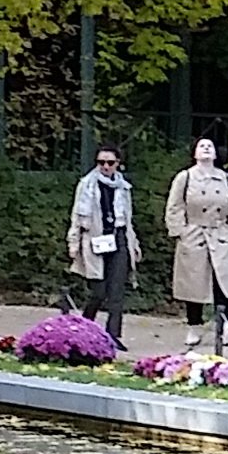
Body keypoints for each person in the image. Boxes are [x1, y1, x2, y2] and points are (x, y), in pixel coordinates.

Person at [164, 135, 228, 352]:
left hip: (221, 234)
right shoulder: (185, 177)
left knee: (223, 281)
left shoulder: (226, 179)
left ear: (216, 153)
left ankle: (226, 324)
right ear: (195, 153)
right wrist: (180, 231)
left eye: (210, 146)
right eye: (202, 146)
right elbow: (174, 206)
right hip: (194, 234)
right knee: (194, 282)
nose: (206, 148)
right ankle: (194, 325)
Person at [66, 142, 141, 343]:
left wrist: (133, 245)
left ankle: (113, 336)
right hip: (94, 239)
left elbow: (128, 218)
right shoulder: (87, 184)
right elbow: (76, 216)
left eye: (110, 162)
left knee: (116, 292)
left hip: (118, 237)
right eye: (101, 162)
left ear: (118, 163)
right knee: (98, 291)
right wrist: (73, 243)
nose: (105, 167)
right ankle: (85, 327)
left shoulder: (123, 187)